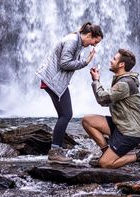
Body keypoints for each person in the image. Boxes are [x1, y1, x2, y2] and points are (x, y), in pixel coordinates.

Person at [36, 22, 103, 164]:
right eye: (94, 41)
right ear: (90, 35)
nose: (94, 45)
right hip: (53, 80)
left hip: (55, 81)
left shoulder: (76, 41)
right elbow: (64, 63)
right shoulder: (72, 41)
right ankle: (55, 152)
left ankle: (56, 150)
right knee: (66, 114)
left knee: (65, 114)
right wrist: (85, 62)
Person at [82, 48, 140, 173]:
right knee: (87, 120)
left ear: (121, 64)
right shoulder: (120, 80)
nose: (110, 60)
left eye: (114, 59)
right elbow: (106, 101)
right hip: (121, 124)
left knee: (105, 164)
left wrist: (96, 81)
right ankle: (106, 151)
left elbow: (102, 99)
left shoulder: (125, 84)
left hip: (130, 132)